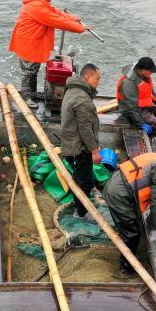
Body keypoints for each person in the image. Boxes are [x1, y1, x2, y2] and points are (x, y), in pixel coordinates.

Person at [102, 147, 156, 276]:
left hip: (117, 183)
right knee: (132, 233)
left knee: (133, 225)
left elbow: (149, 183)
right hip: (120, 196)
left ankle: (128, 254)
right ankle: (126, 268)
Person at [8, 0, 86, 106]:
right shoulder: (36, 6)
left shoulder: (41, 3)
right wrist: (80, 28)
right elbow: (56, 20)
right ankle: (26, 97)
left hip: (34, 42)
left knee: (34, 69)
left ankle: (32, 93)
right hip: (28, 43)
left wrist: (71, 17)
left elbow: (55, 13)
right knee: (28, 71)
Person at [60, 63, 104, 217]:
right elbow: (85, 128)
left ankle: (80, 206)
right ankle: (81, 213)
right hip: (78, 149)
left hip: (70, 144)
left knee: (82, 177)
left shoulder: (72, 90)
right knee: (84, 183)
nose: (98, 82)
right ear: (87, 76)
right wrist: (94, 151)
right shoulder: (82, 99)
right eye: (97, 79)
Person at [117, 57, 156, 135]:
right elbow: (131, 107)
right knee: (154, 122)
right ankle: (153, 138)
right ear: (143, 70)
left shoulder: (144, 76)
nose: (151, 73)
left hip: (143, 106)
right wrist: (140, 124)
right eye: (150, 71)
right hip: (130, 110)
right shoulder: (129, 83)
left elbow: (150, 90)